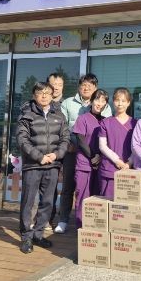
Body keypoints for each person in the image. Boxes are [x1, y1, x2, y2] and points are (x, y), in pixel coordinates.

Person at [53, 73, 112, 234]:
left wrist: (99, 154)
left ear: (95, 88)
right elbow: (61, 127)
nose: (86, 88)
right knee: (69, 187)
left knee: (92, 187)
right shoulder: (68, 103)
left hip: (95, 154)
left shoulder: (102, 104)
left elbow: (107, 127)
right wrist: (68, 144)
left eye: (90, 86)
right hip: (72, 151)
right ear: (79, 87)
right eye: (83, 85)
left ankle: (91, 222)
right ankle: (63, 220)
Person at [16, 82, 70, 254]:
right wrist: (39, 157)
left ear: (52, 95)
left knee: (47, 201)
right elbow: (22, 140)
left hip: (52, 165)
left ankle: (38, 235)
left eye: (47, 92)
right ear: (34, 96)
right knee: (28, 202)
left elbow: (65, 138)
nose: (44, 95)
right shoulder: (26, 114)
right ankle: (26, 237)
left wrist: (56, 154)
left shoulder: (59, 115)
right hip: (33, 165)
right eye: (40, 93)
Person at [72, 89, 108, 228]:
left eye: (103, 101)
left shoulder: (106, 121)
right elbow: (80, 140)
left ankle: (93, 227)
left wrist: (99, 157)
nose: (99, 103)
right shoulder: (83, 118)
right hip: (85, 164)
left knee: (96, 197)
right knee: (83, 196)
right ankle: (81, 227)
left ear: (106, 104)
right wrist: (93, 156)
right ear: (92, 101)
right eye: (97, 99)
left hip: (100, 165)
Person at [98, 87, 137, 198]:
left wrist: (129, 163)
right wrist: (117, 161)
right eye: (117, 100)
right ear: (113, 102)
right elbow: (102, 146)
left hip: (129, 170)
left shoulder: (135, 123)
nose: (120, 104)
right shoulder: (105, 122)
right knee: (107, 201)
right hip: (109, 169)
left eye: (123, 101)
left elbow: (138, 146)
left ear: (128, 103)